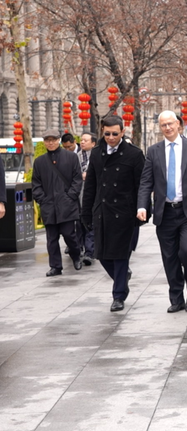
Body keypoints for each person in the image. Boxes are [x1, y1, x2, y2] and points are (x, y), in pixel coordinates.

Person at [137, 110, 187, 313]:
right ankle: (176, 297)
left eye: (171, 124)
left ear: (178, 124)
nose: (168, 128)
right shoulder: (153, 151)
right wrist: (142, 206)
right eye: (163, 125)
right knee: (169, 257)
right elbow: (146, 181)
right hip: (165, 212)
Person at [81, 115, 145, 312]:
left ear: (122, 132)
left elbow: (141, 185)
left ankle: (118, 295)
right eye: (107, 133)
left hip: (124, 213)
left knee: (120, 255)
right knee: (101, 254)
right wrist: (86, 213)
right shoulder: (97, 152)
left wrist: (141, 210)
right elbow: (91, 185)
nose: (110, 137)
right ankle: (122, 276)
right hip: (102, 211)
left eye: (114, 134)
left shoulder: (134, 154)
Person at [32, 128, 83, 277]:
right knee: (51, 238)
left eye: (53, 139)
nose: (51, 142)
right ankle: (55, 266)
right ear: (44, 142)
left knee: (69, 234)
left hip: (67, 204)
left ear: (58, 140)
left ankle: (76, 255)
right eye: (48, 140)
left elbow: (77, 180)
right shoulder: (40, 162)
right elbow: (36, 184)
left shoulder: (71, 158)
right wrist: (42, 199)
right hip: (49, 205)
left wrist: (70, 197)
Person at [77, 132, 96, 265]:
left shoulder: (98, 156)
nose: (82, 142)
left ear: (93, 143)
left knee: (92, 224)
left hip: (93, 196)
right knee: (80, 224)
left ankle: (90, 252)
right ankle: (81, 248)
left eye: (85, 140)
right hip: (78, 196)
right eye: (81, 140)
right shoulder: (75, 157)